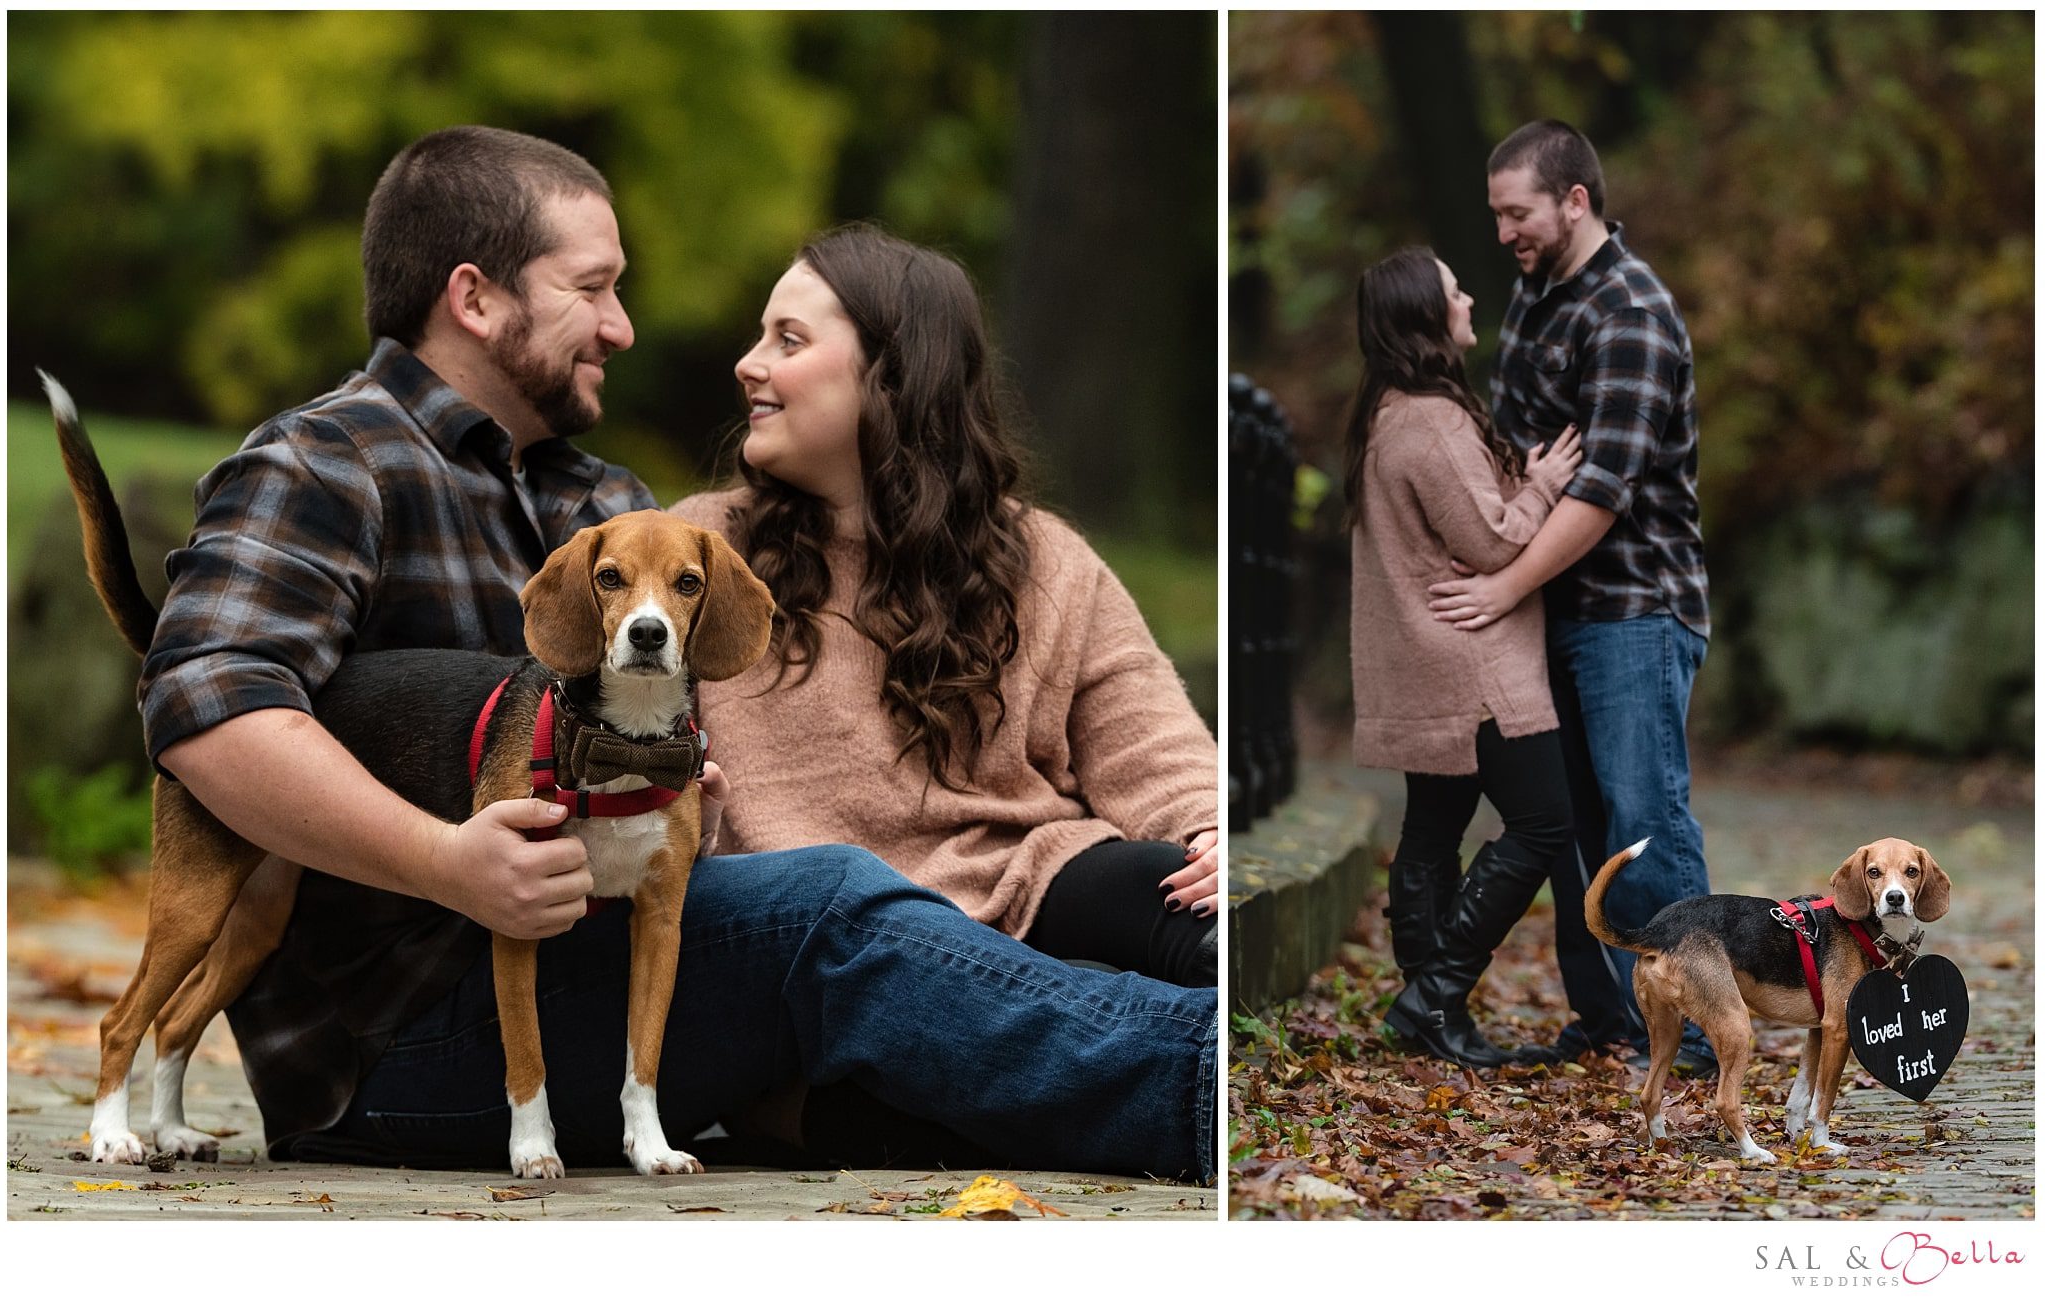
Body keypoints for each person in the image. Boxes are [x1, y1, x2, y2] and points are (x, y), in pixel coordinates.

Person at [136, 125, 1215, 1180]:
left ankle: (1186, 1056)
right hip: (405, 1037)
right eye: (593, 288)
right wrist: (446, 861)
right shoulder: (323, 461)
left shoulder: (612, 508)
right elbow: (206, 708)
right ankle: (1209, 1083)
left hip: (610, 978)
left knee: (1075, 909)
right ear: (475, 299)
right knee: (825, 905)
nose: (623, 327)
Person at [672, 224, 1220, 993]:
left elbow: (1148, 738)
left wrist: (1208, 828)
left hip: (1020, 881)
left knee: (1184, 897)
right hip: (811, 930)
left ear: (891, 374)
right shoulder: (695, 552)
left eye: (788, 340)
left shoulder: (1044, 559)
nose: (747, 363)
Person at [1425, 119, 1716, 1074]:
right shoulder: (1537, 293)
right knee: (1576, 834)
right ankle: (1613, 1024)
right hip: (1556, 611)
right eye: (1497, 214)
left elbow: (1602, 491)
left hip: (1634, 611)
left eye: (1518, 213)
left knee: (1644, 823)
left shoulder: (1631, 311)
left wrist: (1501, 586)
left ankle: (1701, 1037)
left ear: (1575, 201)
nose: (1503, 231)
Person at [1344, 246, 1583, 1068]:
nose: (1470, 298)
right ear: (1426, 314)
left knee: (1432, 828)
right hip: (1472, 666)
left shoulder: (1387, 414)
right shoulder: (1431, 421)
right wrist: (1545, 483)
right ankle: (1436, 992)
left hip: (1425, 661)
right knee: (1544, 822)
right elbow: (1489, 542)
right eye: (1455, 290)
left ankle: (1427, 1010)